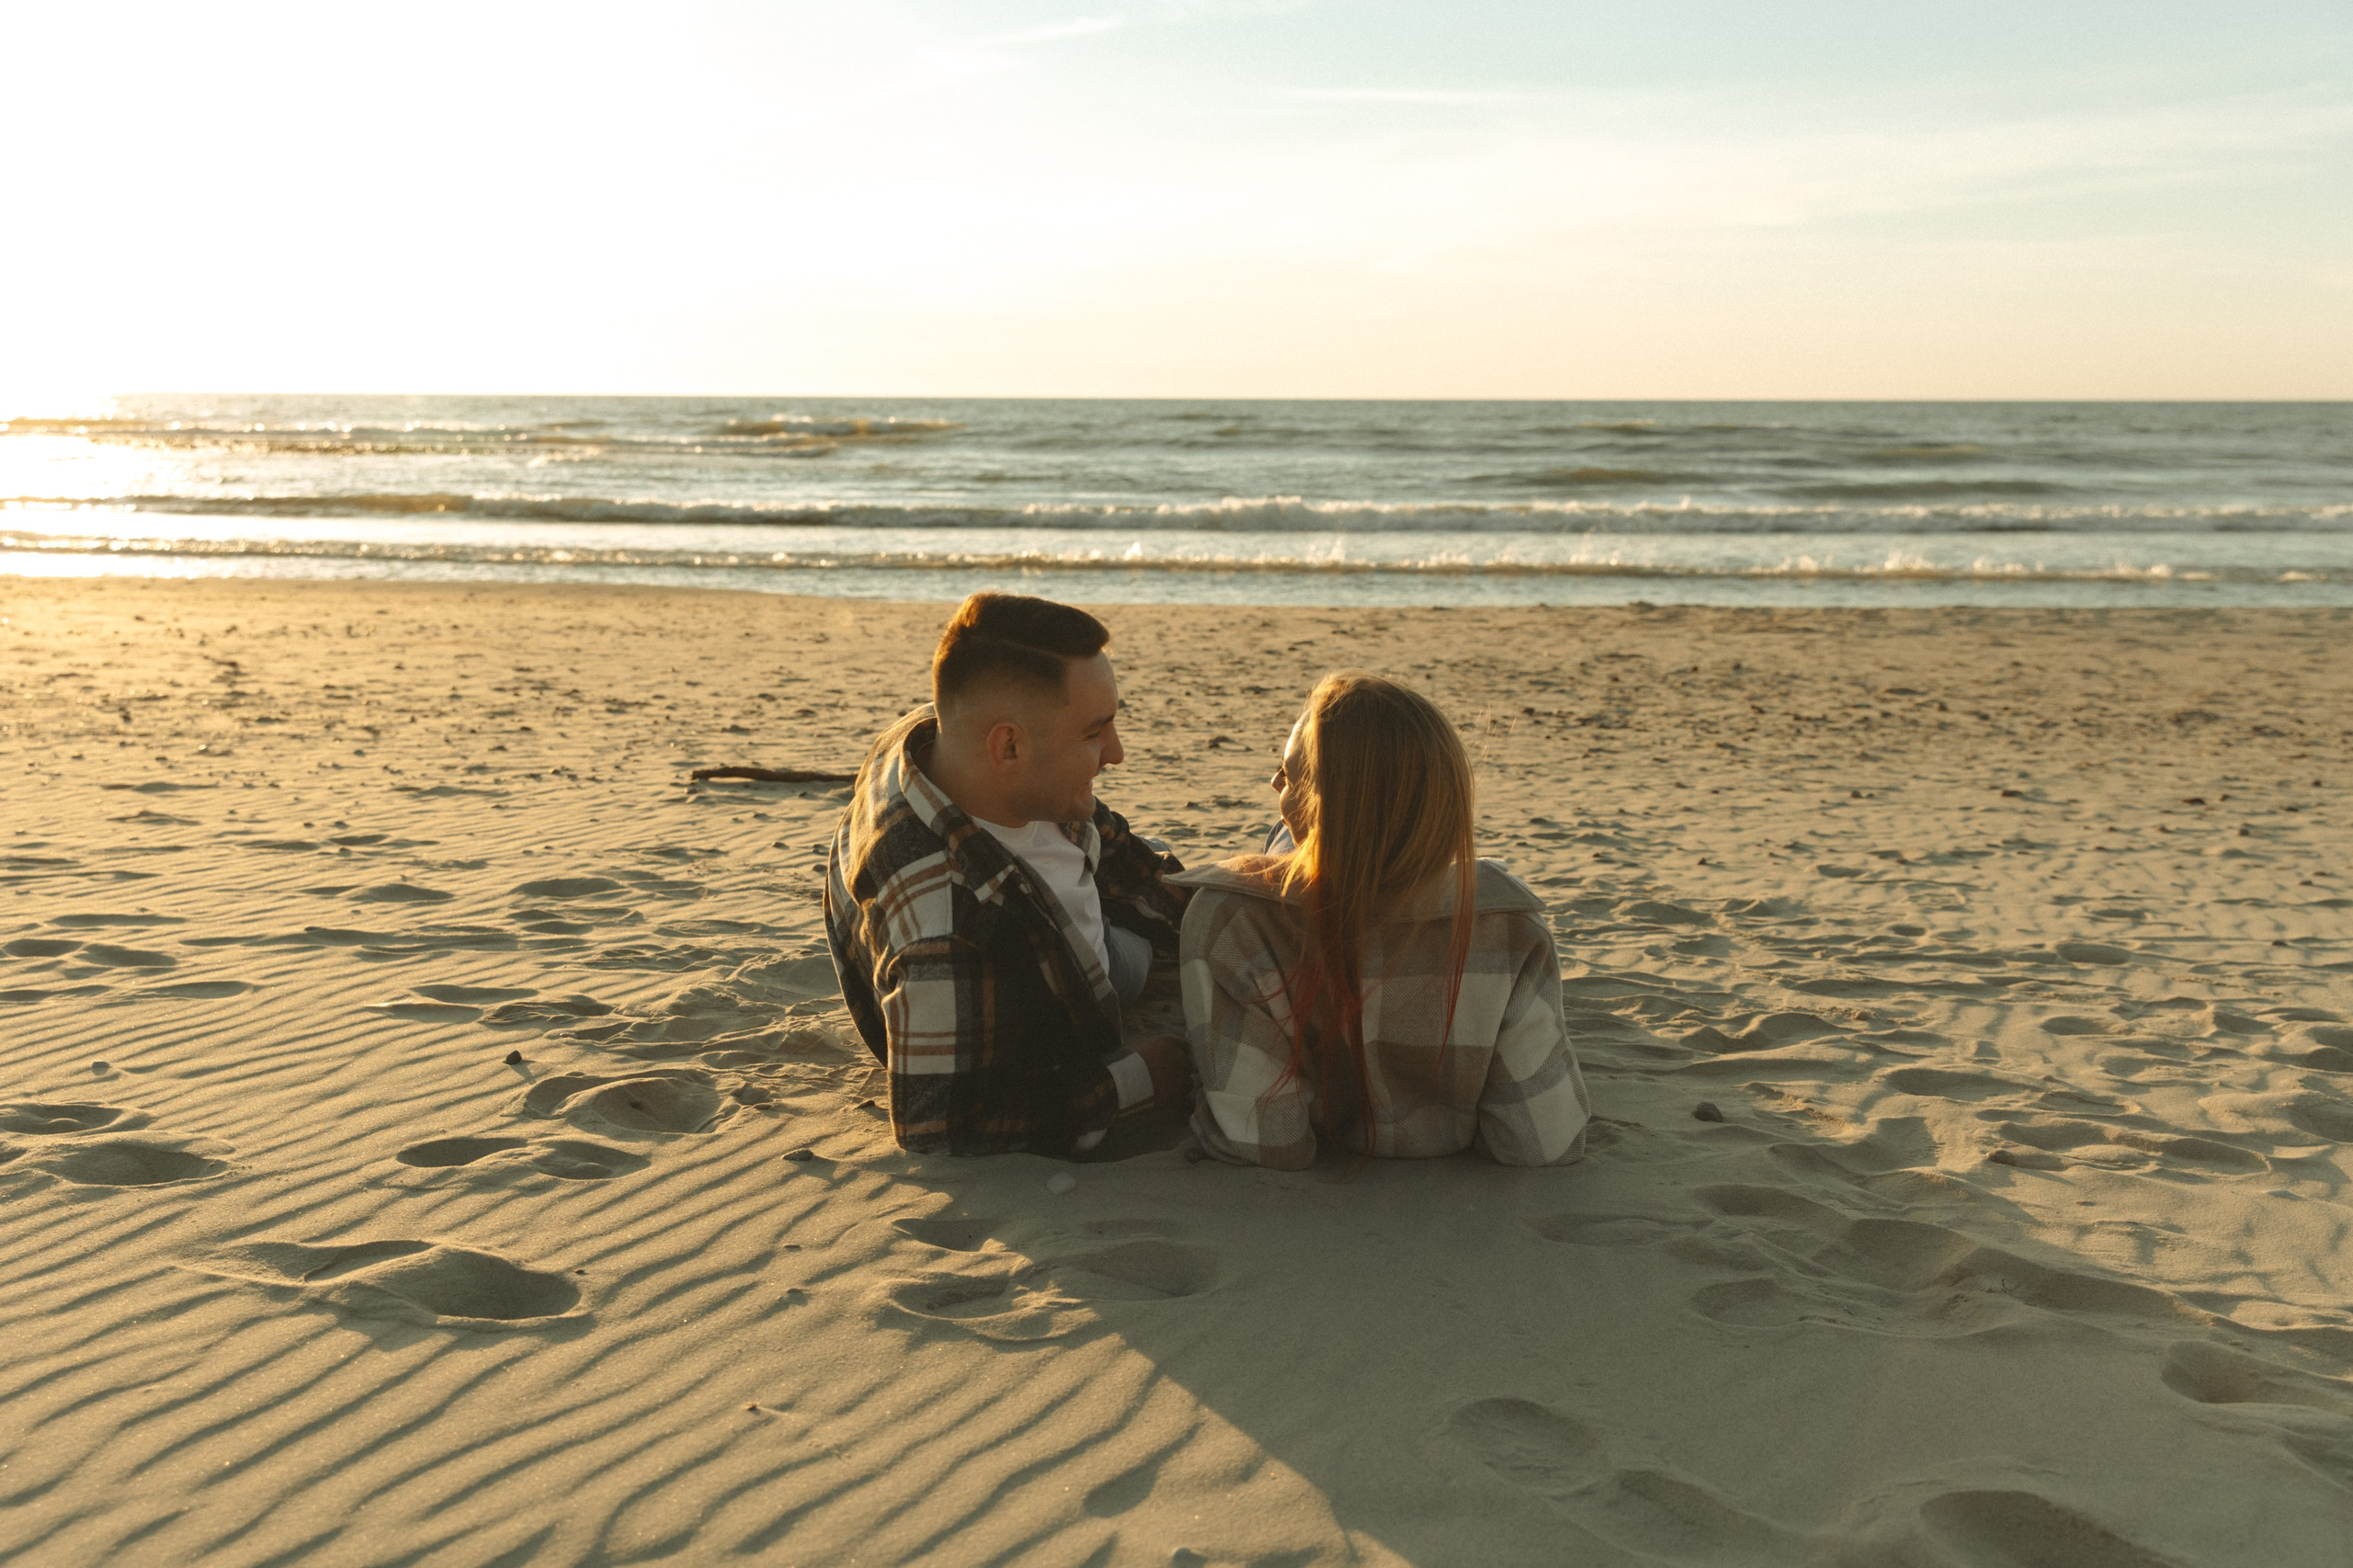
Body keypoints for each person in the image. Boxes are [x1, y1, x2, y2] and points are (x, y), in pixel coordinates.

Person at [1171, 672, 1590, 1169]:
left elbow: (1267, 1141)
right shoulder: (1508, 926)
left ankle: (1299, 841)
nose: (1273, 784)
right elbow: (1541, 1142)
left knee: (1284, 840)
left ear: (1321, 805)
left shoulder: (1232, 921)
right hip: (1433, 885)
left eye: (1285, 776)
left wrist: (1200, 1089)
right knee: (1317, 841)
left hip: (1291, 899)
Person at [825, 592, 1193, 1156]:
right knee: (1136, 960)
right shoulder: (945, 928)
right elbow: (942, 1125)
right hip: (1050, 987)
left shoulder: (944, 740)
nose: (1116, 753)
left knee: (1173, 878)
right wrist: (1141, 1079)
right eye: (1095, 733)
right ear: (1009, 745)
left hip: (1054, 915)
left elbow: (1107, 838)